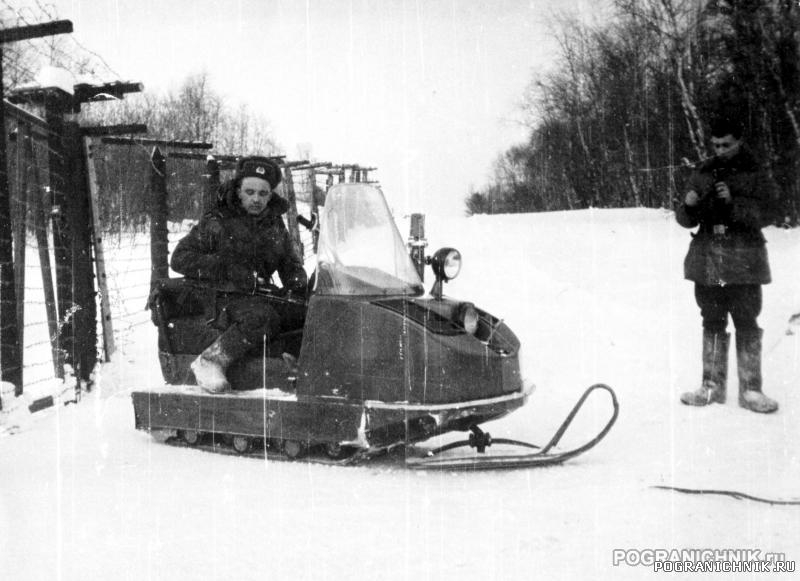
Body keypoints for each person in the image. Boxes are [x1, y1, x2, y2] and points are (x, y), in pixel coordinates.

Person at [170, 156, 308, 393]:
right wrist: (224, 266)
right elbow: (179, 258)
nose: (256, 199)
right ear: (238, 190)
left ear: (271, 195)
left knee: (308, 313)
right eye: (250, 191)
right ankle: (210, 361)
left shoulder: (274, 225)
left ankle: (296, 370)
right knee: (263, 317)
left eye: (263, 194)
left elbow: (287, 262)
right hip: (220, 296)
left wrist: (297, 279)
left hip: (256, 294)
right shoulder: (218, 221)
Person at [676, 117, 779, 413]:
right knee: (711, 318)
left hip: (745, 258)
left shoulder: (755, 172)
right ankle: (711, 387)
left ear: (739, 142)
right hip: (709, 258)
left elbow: (771, 211)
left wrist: (734, 203)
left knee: (746, 318)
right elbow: (685, 220)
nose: (720, 149)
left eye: (727, 144)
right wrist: (689, 205)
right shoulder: (703, 171)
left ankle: (751, 390)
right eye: (716, 144)